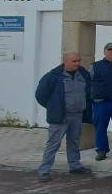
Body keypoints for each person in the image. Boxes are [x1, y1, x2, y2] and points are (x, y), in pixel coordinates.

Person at [35, 52, 92, 181]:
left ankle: (75, 166)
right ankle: (44, 170)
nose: (77, 63)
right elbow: (40, 95)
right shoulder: (53, 76)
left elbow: (88, 92)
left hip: (77, 115)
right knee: (53, 143)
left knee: (74, 141)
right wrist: (53, 107)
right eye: (74, 61)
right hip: (60, 116)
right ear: (65, 61)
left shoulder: (83, 74)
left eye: (79, 60)